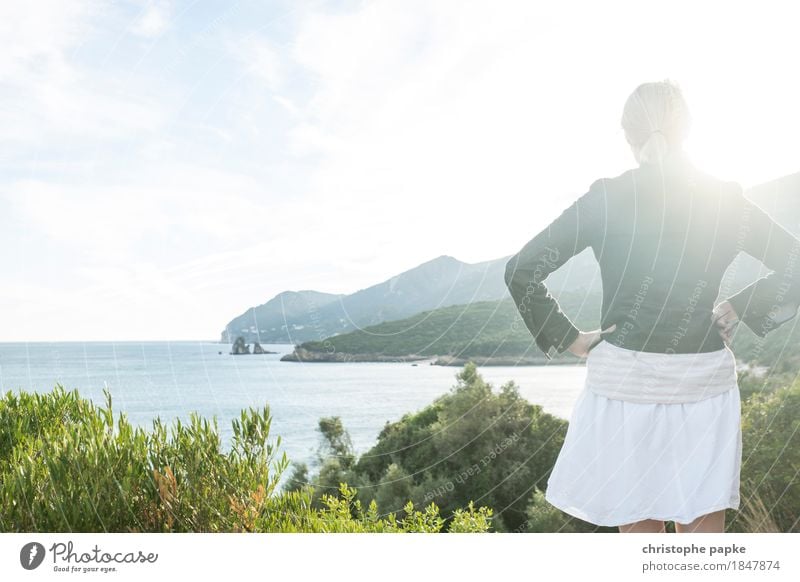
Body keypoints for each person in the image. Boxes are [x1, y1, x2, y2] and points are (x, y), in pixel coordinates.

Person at [503, 79, 800, 533]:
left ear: (628, 135)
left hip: (624, 382)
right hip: (703, 380)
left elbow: (522, 269)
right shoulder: (724, 200)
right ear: (688, 129)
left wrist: (571, 339)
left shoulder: (606, 198)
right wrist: (738, 306)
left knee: (638, 536)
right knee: (702, 540)